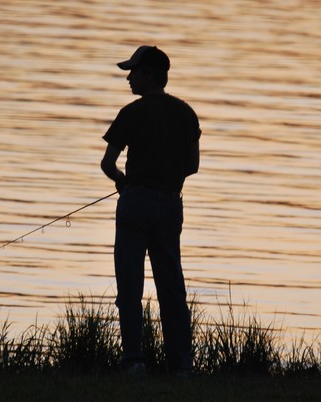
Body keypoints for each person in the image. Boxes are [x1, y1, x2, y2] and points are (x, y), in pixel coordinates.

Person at [101, 45, 201, 377]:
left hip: (135, 203)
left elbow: (107, 163)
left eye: (133, 72)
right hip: (171, 205)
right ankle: (181, 367)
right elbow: (192, 166)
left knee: (130, 285)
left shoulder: (132, 112)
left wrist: (122, 181)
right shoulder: (186, 114)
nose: (129, 78)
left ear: (149, 75)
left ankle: (134, 362)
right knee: (171, 287)